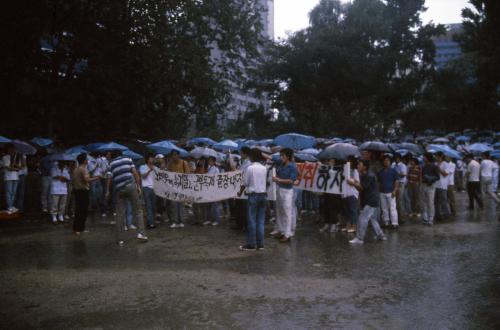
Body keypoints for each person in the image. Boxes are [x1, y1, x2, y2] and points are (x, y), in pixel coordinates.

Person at [107, 150, 148, 245]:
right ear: (121, 154)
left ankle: (120, 239)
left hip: (118, 189)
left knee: (120, 214)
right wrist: (138, 186)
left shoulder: (111, 164)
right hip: (130, 185)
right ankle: (141, 234)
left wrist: (107, 191)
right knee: (138, 210)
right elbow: (135, 173)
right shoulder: (128, 159)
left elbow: (109, 178)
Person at [348, 160, 386, 244]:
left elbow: (361, 188)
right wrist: (355, 183)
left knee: (362, 218)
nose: (358, 166)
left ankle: (359, 238)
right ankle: (381, 235)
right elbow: (361, 187)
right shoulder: (364, 175)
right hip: (370, 199)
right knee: (372, 219)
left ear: (365, 167)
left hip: (371, 200)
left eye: (359, 164)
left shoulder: (369, 175)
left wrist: (353, 183)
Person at [238, 149, 267, 251]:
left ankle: (251, 244)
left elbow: (244, 183)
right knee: (260, 221)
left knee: (251, 220)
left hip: (253, 195)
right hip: (263, 195)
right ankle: (260, 244)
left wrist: (240, 192)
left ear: (252, 157)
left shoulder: (250, 168)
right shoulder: (264, 168)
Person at [267, 148, 298, 243]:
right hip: (279, 189)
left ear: (288, 156)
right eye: (280, 155)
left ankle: (288, 234)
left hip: (287, 191)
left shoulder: (292, 167)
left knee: (287, 212)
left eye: (283, 155)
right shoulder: (281, 164)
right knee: (279, 211)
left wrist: (278, 180)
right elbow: (271, 158)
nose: (281, 157)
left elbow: (291, 181)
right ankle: (281, 230)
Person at [73, 153, 100, 235]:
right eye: (86, 159)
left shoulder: (76, 169)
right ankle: (79, 228)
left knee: (78, 210)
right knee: (83, 210)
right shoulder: (83, 169)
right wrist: (96, 178)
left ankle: (77, 228)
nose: (87, 161)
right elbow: (87, 179)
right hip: (83, 191)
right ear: (84, 160)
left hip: (77, 190)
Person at [166, 150, 190, 228]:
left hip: (182, 187)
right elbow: (168, 174)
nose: (174, 156)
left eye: (175, 155)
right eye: (173, 155)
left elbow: (188, 175)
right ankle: (174, 221)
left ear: (179, 156)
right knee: (173, 204)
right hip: (173, 187)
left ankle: (181, 221)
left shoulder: (184, 163)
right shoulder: (170, 164)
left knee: (181, 204)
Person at [377, 155, 399, 229]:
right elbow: (379, 182)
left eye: (388, 160)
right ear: (382, 162)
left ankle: (394, 223)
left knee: (392, 208)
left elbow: (396, 181)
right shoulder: (380, 172)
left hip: (391, 192)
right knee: (384, 208)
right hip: (382, 192)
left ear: (390, 162)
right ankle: (386, 222)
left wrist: (395, 190)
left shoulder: (393, 171)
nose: (386, 162)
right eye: (385, 160)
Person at [421, 153, 440, 225]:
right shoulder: (423, 166)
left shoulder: (434, 166)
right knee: (424, 202)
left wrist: (430, 179)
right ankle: (425, 217)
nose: (423, 158)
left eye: (424, 157)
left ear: (427, 158)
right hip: (424, 185)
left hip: (431, 185)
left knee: (430, 202)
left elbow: (438, 177)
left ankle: (431, 218)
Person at [139, 154, 157, 229]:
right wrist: (150, 170)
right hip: (146, 188)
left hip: (154, 188)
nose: (152, 159)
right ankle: (151, 223)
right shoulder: (142, 167)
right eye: (151, 158)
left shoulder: (155, 167)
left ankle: (151, 221)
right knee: (148, 206)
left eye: (153, 158)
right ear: (147, 159)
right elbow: (143, 176)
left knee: (153, 206)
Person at [2, 144, 20, 213]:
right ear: (8, 150)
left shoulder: (16, 158)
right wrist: (15, 168)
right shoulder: (5, 157)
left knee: (14, 192)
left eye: (13, 149)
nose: (12, 150)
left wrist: (16, 167)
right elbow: (7, 167)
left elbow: (20, 167)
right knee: (9, 192)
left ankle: (12, 206)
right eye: (11, 149)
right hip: (8, 177)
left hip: (16, 177)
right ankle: (9, 206)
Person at [342, 157, 359, 233]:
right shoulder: (344, 171)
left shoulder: (355, 171)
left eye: (350, 161)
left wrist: (351, 181)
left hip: (352, 193)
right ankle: (348, 225)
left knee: (353, 210)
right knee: (346, 211)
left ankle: (354, 226)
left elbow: (357, 182)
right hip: (345, 193)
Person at [204, 156, 221, 226]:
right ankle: (209, 219)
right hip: (208, 189)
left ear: (214, 162)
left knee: (215, 205)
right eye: (209, 160)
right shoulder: (208, 168)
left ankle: (216, 220)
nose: (209, 162)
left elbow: (217, 179)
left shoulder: (216, 169)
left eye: (211, 161)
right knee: (208, 205)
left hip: (214, 189)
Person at [435, 152, 451, 220]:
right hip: (436, 185)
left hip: (442, 185)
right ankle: (438, 214)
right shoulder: (435, 164)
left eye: (436, 156)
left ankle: (447, 214)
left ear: (440, 157)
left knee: (444, 200)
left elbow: (445, 174)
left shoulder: (446, 164)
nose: (435, 157)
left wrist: (438, 169)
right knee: (436, 201)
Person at [192, 157, 208, 225]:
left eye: (203, 161)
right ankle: (196, 219)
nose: (201, 162)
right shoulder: (197, 169)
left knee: (203, 206)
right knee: (195, 205)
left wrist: (203, 167)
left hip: (203, 190)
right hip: (196, 189)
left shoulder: (207, 169)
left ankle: (203, 220)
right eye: (201, 160)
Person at [394, 153, 408, 220]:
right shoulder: (394, 165)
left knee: (400, 200)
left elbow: (404, 174)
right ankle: (397, 216)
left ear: (399, 158)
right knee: (396, 201)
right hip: (395, 183)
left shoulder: (402, 165)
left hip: (401, 183)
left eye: (396, 158)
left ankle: (401, 217)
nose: (395, 159)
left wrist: (396, 173)